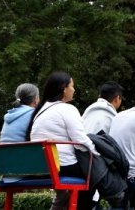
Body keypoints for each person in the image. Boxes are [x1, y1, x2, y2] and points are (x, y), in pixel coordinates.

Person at [27, 71, 101, 210]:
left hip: (43, 166)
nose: (74, 89)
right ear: (64, 88)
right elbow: (80, 141)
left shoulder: (41, 110)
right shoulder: (66, 109)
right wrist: (96, 153)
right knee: (97, 175)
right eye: (72, 86)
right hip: (61, 165)